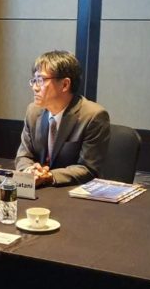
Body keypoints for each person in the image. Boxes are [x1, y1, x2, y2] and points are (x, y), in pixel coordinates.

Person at [14, 50, 111, 187]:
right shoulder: (33, 111)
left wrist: (49, 176)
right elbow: (24, 155)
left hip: (72, 191)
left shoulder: (93, 116)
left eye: (41, 80)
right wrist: (29, 170)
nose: (35, 87)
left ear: (65, 84)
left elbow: (88, 168)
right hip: (38, 188)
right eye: (34, 80)